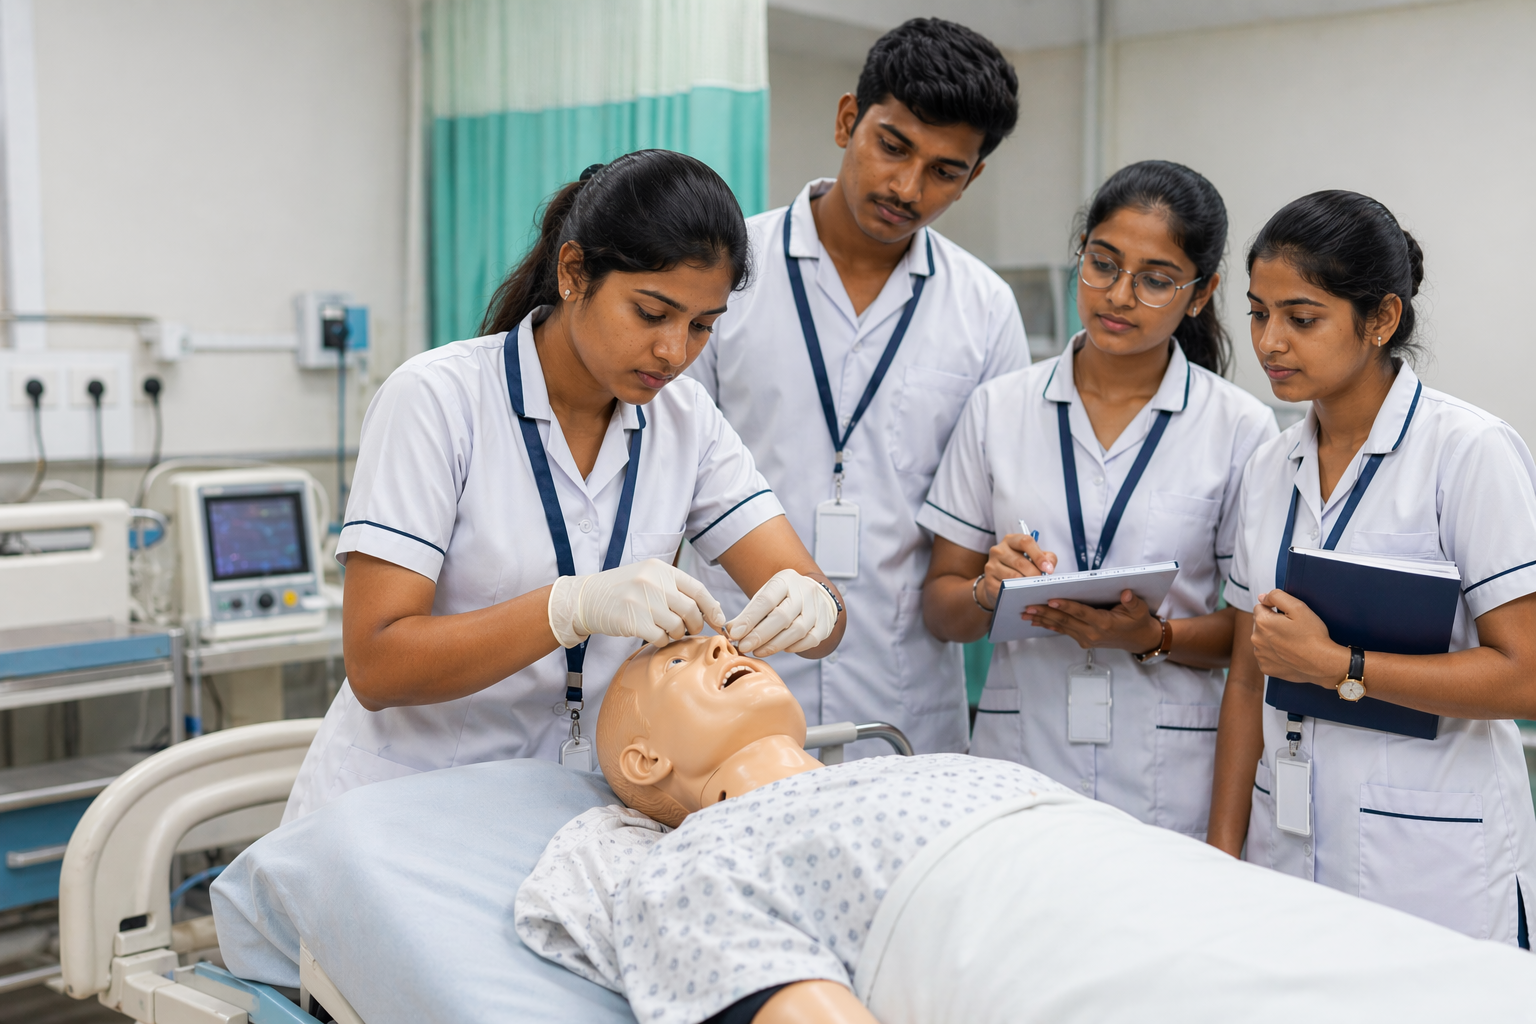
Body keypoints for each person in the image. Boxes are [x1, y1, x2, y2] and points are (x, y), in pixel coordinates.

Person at [508, 634, 1536, 1024]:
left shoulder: (925, 763)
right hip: (1007, 931)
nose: (727, 640)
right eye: (685, 661)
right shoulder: (693, 863)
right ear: (640, 761)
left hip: (1128, 864)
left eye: (723, 635)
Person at [282, 151, 846, 823]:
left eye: (702, 326)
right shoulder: (438, 400)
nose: (676, 351)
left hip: (571, 815)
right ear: (574, 272)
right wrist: (566, 608)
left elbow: (823, 615)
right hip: (406, 809)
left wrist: (814, 607)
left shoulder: (686, 422)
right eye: (651, 313)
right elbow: (378, 666)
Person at [685, 18, 1027, 756]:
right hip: (734, 663)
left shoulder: (983, 308)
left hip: (900, 689)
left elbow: (983, 514)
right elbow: (667, 468)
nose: (907, 187)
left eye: (946, 170)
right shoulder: (728, 272)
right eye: (892, 145)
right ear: (849, 120)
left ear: (974, 177)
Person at [1209, 190, 1536, 944]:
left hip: (1433, 862)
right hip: (1282, 845)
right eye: (1258, 313)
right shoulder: (1269, 463)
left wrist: (1339, 665)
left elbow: (1524, 675)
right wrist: (1221, 856)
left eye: (1302, 317)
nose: (1270, 342)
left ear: (1381, 319)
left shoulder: (1468, 452)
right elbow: (1248, 674)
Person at [918, 161, 1277, 837]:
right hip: (1019, 762)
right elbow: (942, 607)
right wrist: (987, 594)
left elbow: (1252, 637)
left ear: (1201, 294)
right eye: (1104, 264)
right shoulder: (999, 409)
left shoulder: (1238, 427)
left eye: (1156, 280)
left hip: (1169, 777)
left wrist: (1154, 637)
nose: (1119, 295)